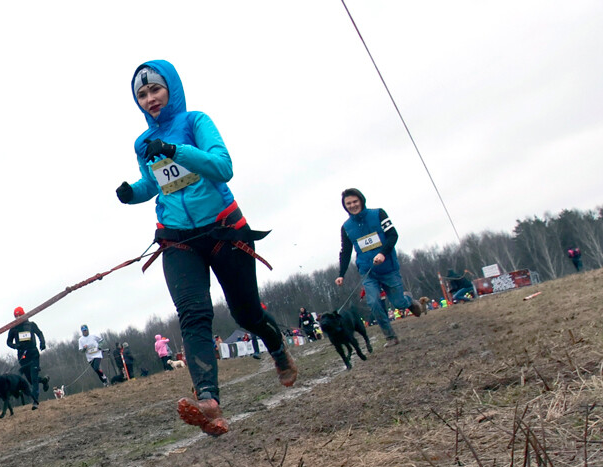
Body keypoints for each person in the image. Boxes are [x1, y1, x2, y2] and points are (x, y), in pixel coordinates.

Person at [115, 60, 297, 437]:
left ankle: (278, 349)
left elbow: (222, 167)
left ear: (172, 89)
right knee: (193, 314)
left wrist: (176, 149)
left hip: (225, 229)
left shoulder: (196, 122)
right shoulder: (142, 143)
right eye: (142, 95)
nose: (150, 99)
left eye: (155, 90)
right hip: (176, 237)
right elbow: (154, 183)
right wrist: (133, 193)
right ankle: (209, 402)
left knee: (246, 313)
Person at [334, 188, 425, 346]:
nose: (352, 205)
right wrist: (341, 274)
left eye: (355, 201)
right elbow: (346, 251)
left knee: (398, 303)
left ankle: (410, 301)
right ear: (345, 206)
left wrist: (383, 253)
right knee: (374, 302)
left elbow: (393, 235)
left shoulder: (378, 214)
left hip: (388, 268)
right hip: (367, 272)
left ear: (361, 200)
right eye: (348, 203)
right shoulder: (346, 227)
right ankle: (390, 337)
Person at [6, 306, 47, 409]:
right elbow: (8, 342)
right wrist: (15, 346)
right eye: (16, 316)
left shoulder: (31, 325)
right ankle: (44, 380)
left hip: (33, 353)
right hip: (22, 356)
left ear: (24, 314)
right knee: (30, 379)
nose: (18, 317)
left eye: (20, 315)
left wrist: (42, 343)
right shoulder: (13, 328)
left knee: (33, 379)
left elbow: (39, 333)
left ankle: (35, 402)